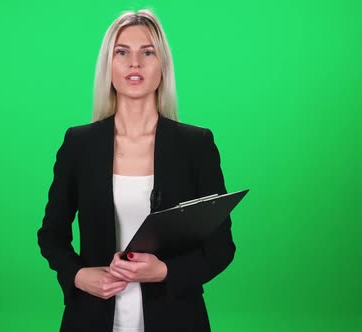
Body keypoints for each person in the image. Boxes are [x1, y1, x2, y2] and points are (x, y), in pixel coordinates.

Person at [37, 9, 236, 332]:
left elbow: (221, 248)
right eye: (122, 52)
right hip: (91, 318)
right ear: (109, 66)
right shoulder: (79, 144)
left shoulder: (195, 144)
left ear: (163, 66)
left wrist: (164, 272)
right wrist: (76, 275)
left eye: (148, 52)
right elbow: (51, 235)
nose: (135, 64)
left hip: (176, 318)